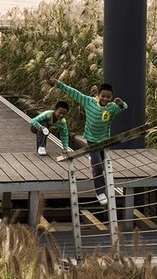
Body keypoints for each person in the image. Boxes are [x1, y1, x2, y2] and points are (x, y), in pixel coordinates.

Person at [51, 77, 127, 205]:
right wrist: (59, 84)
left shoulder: (111, 107)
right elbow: (74, 92)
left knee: (103, 165)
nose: (105, 99)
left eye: (108, 97)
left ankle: (95, 163)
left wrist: (120, 103)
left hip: (104, 140)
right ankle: (100, 192)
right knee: (97, 168)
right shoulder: (89, 102)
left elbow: (124, 107)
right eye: (103, 96)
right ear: (98, 95)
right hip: (92, 139)